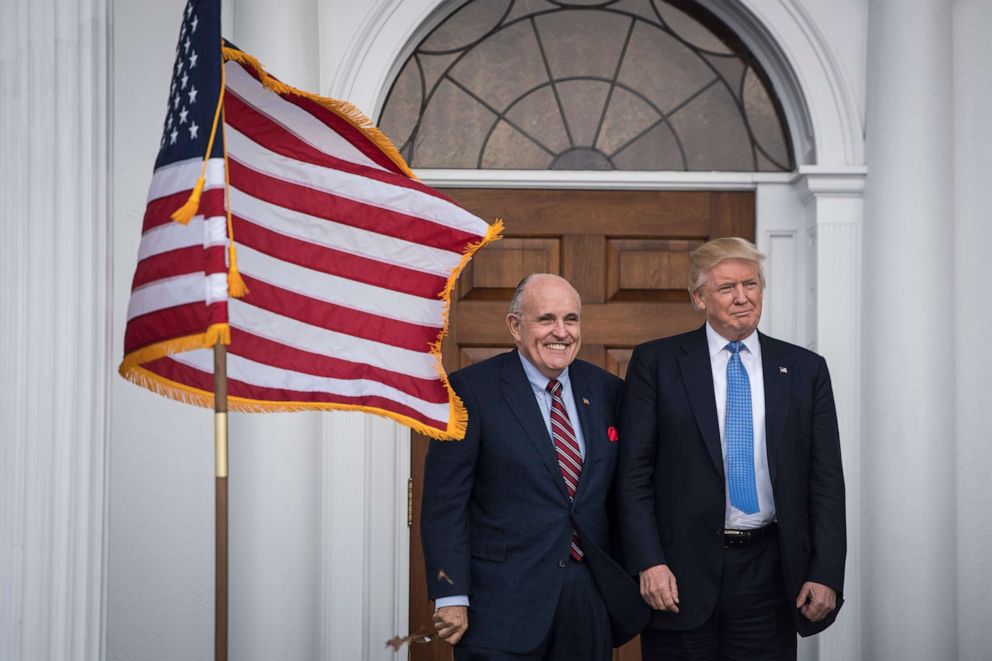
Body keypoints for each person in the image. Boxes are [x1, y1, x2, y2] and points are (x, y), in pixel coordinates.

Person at [618, 237, 846, 660]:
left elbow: (826, 480)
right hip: (678, 576)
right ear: (699, 298)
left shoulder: (804, 369)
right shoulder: (658, 363)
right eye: (726, 288)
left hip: (771, 574)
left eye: (751, 284)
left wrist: (827, 572)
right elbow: (633, 475)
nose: (742, 297)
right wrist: (648, 561)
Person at [421, 273, 647, 660]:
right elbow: (445, 504)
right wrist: (451, 593)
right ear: (515, 326)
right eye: (546, 319)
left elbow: (628, 488)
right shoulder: (470, 392)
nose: (561, 332)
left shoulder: (608, 390)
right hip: (499, 602)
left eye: (571, 319)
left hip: (586, 600)